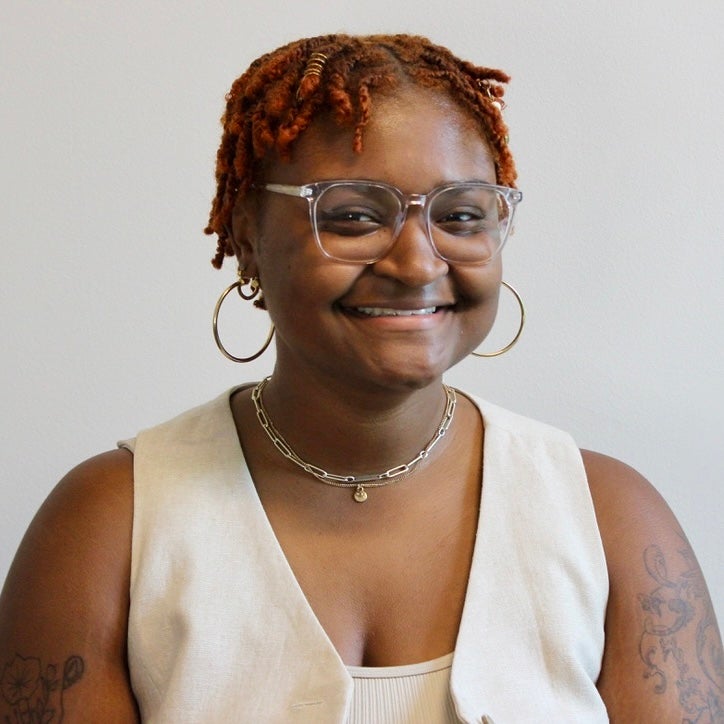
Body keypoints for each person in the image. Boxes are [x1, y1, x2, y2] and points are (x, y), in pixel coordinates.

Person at [0, 33, 721, 723]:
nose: (417, 264)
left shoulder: (611, 521)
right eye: (351, 217)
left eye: (462, 214)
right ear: (247, 236)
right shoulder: (107, 527)